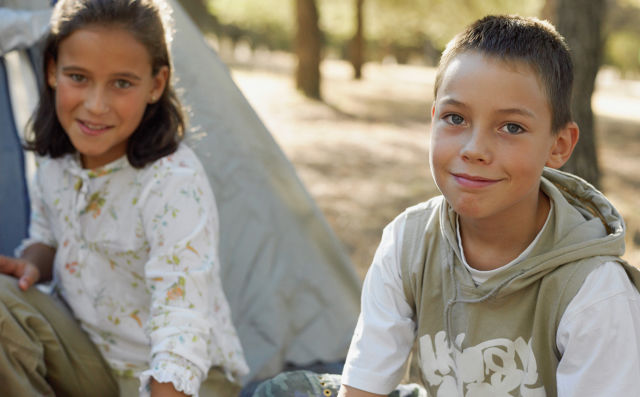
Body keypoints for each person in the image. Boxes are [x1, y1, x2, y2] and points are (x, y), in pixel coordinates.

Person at [336, 15, 640, 397]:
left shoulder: (595, 294)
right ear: (433, 120)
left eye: (511, 127)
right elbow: (363, 389)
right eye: (455, 118)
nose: (475, 149)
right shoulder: (406, 245)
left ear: (558, 145)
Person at [0, 0, 248, 396]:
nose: (96, 105)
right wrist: (31, 263)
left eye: (121, 83)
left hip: (182, 375)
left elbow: (181, 319)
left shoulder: (172, 182)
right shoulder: (55, 162)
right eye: (78, 77)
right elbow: (47, 235)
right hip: (89, 359)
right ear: (52, 72)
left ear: (156, 84)